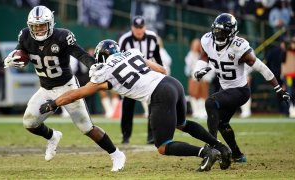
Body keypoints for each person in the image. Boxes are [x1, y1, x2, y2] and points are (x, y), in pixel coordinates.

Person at [39, 39, 232, 172]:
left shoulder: (104, 70)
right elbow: (161, 69)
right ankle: (221, 147)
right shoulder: (132, 54)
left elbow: (78, 93)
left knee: (163, 146)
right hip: (173, 83)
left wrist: (54, 103)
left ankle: (206, 152)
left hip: (159, 93)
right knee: (181, 123)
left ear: (101, 57)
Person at [3, 6, 125, 172]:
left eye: (42, 25)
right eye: (35, 26)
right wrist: (13, 59)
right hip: (45, 89)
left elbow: (80, 54)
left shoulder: (62, 36)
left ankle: (116, 154)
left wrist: (93, 66)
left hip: (67, 87)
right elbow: (21, 53)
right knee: (29, 122)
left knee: (86, 128)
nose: (38, 29)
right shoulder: (25, 35)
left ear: (50, 23)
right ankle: (53, 136)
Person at [193, 13, 291, 163]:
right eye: (217, 31)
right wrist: (199, 69)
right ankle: (237, 154)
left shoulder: (240, 48)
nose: (219, 35)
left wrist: (278, 89)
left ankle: (211, 146)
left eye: (223, 32)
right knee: (221, 122)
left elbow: (262, 68)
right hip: (225, 89)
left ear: (232, 33)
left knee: (210, 102)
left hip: (240, 91)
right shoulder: (207, 40)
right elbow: (204, 57)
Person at [118, 15, 163, 144]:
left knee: (152, 106)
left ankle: (151, 136)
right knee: (127, 106)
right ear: (132, 27)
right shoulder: (124, 40)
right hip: (130, 77)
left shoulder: (152, 37)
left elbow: (157, 57)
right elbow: (119, 60)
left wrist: (161, 71)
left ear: (145, 27)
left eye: (141, 27)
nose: (139, 30)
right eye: (136, 27)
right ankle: (126, 136)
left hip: (148, 76)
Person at [184, 38, 214, 119]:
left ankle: (203, 111)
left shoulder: (205, 54)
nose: (196, 47)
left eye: (197, 45)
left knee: (203, 95)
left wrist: (206, 76)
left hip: (204, 78)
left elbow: (211, 67)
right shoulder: (191, 54)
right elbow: (188, 66)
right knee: (193, 94)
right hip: (193, 78)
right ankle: (195, 111)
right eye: (194, 45)